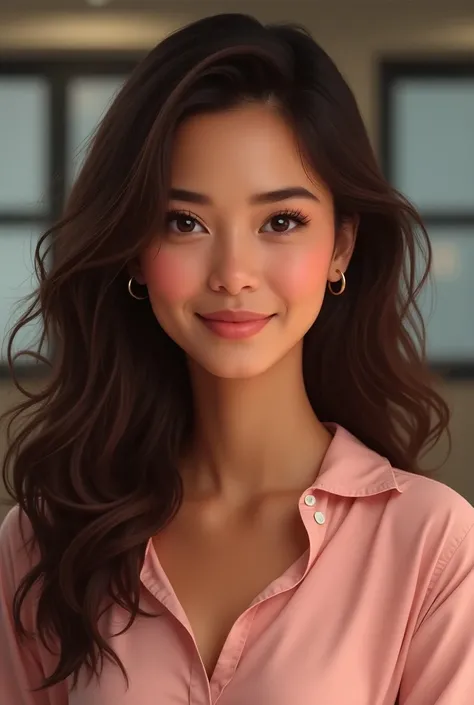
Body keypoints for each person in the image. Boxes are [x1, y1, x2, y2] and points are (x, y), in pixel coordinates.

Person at [0, 12, 473, 705]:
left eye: (280, 221)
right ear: (135, 246)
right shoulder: (45, 540)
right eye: (184, 221)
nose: (233, 272)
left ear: (341, 244)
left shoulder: (431, 543)